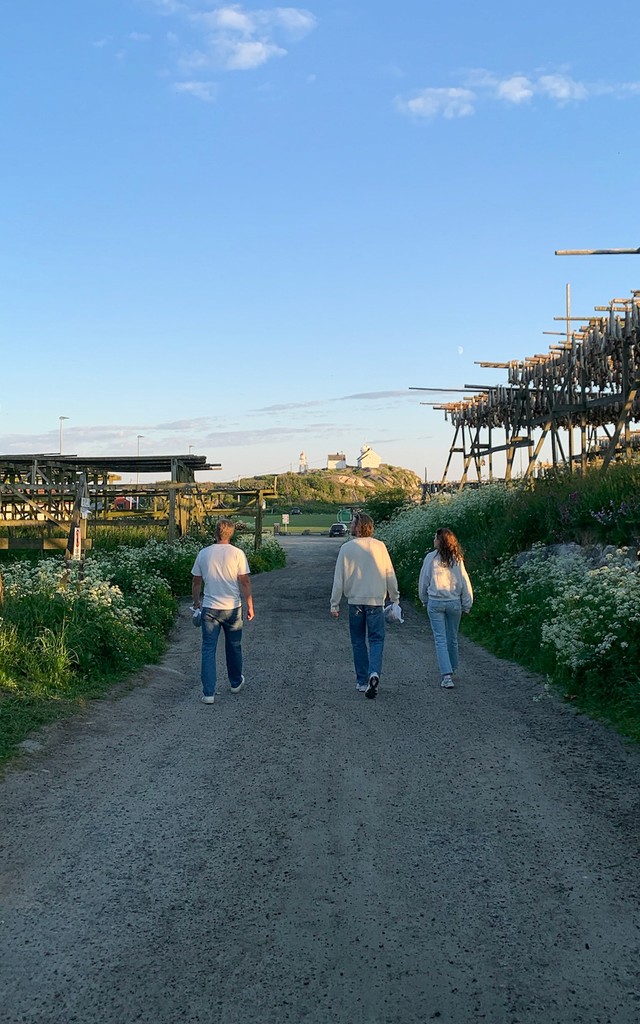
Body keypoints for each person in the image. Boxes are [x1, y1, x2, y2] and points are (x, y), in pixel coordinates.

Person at [330, 511, 399, 699]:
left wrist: (334, 604)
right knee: (376, 639)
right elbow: (389, 573)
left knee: (358, 641)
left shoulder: (347, 548)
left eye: (352, 523)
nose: (351, 525)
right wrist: (394, 597)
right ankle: (374, 673)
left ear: (358, 526)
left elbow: (339, 578)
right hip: (376, 601)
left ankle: (362, 681)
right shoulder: (380, 547)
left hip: (355, 602)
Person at [191, 517, 254, 705]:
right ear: (231, 533)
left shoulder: (203, 553)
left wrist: (196, 603)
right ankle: (235, 682)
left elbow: (196, 581)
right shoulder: (237, 554)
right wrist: (250, 604)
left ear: (215, 533)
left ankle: (208, 693)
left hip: (210, 607)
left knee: (208, 649)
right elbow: (244, 581)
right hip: (233, 607)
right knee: (234, 645)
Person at [418, 527, 473, 689]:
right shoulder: (457, 559)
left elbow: (424, 581)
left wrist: (424, 599)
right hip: (454, 602)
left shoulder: (430, 558)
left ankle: (446, 675)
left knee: (440, 639)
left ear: (440, 541)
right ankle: (453, 667)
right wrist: (467, 603)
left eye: (435, 538)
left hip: (435, 602)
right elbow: (464, 582)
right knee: (453, 637)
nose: (433, 540)